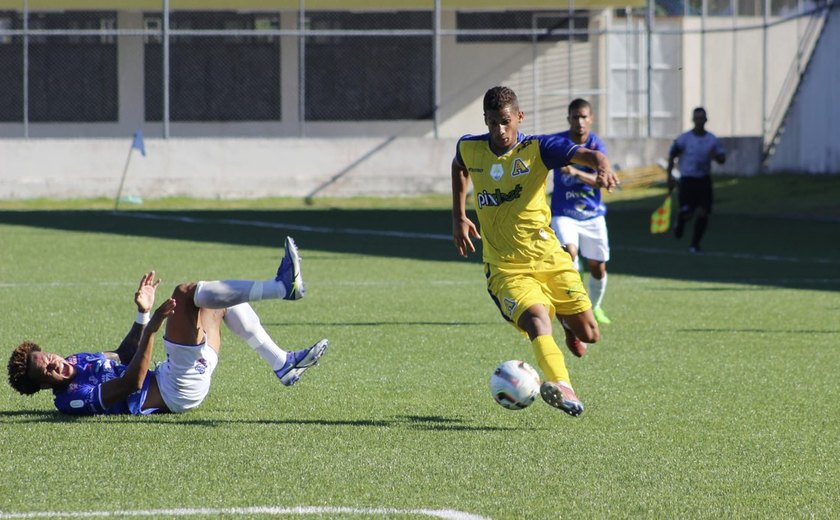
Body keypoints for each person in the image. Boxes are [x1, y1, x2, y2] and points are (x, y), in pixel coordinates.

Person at [6, 236, 328, 415]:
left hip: (181, 376)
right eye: (46, 373)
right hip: (173, 390)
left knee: (219, 300)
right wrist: (153, 329)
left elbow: (123, 354)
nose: (54, 366)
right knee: (185, 293)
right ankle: (281, 287)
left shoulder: (78, 360)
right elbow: (131, 383)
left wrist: (142, 314)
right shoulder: (70, 400)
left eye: (47, 359)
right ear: (43, 386)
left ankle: (282, 363)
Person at [451, 86, 619, 417]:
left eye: (505, 121)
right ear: (484, 120)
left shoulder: (539, 148)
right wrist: (458, 215)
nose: (499, 130)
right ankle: (563, 386)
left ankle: (570, 327)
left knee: (591, 334)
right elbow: (459, 166)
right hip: (505, 268)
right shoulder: (470, 147)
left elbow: (589, 154)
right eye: (492, 122)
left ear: (519, 117)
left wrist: (602, 164)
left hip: (549, 258)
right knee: (538, 319)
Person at [549, 98, 613, 325]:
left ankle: (595, 307)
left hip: (592, 214)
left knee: (598, 267)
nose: (580, 121)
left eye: (584, 116)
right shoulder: (558, 143)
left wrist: (575, 172)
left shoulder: (597, 146)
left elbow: (600, 181)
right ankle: (573, 308)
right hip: (563, 212)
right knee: (569, 254)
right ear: (568, 119)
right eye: (575, 117)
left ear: (591, 119)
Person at [667, 106, 726, 253]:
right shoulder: (684, 138)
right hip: (687, 180)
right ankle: (680, 222)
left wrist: (716, 156)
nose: (699, 121)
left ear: (706, 120)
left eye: (702, 118)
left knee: (703, 213)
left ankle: (695, 244)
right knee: (687, 213)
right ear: (693, 120)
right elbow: (672, 155)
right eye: (697, 118)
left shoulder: (711, 139)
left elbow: (722, 159)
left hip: (703, 181)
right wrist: (669, 176)